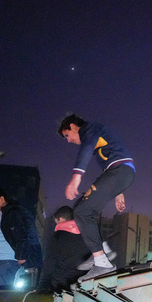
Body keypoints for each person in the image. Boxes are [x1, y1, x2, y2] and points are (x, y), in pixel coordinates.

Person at [58, 113, 135, 281]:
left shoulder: (91, 128)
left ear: (73, 126)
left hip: (120, 172)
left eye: (67, 136)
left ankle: (102, 263)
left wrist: (76, 176)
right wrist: (118, 192)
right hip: (119, 173)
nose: (68, 140)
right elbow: (108, 164)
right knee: (82, 208)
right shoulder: (98, 143)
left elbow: (85, 150)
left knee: (82, 211)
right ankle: (103, 251)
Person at [0, 185, 43, 288]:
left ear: (1, 199)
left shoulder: (15, 212)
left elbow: (27, 233)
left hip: (4, 262)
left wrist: (22, 255)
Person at [36, 206, 91, 293]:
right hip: (82, 286)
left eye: (56, 222)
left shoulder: (58, 236)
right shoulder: (88, 236)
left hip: (60, 286)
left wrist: (41, 288)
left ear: (61, 219)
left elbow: (49, 265)